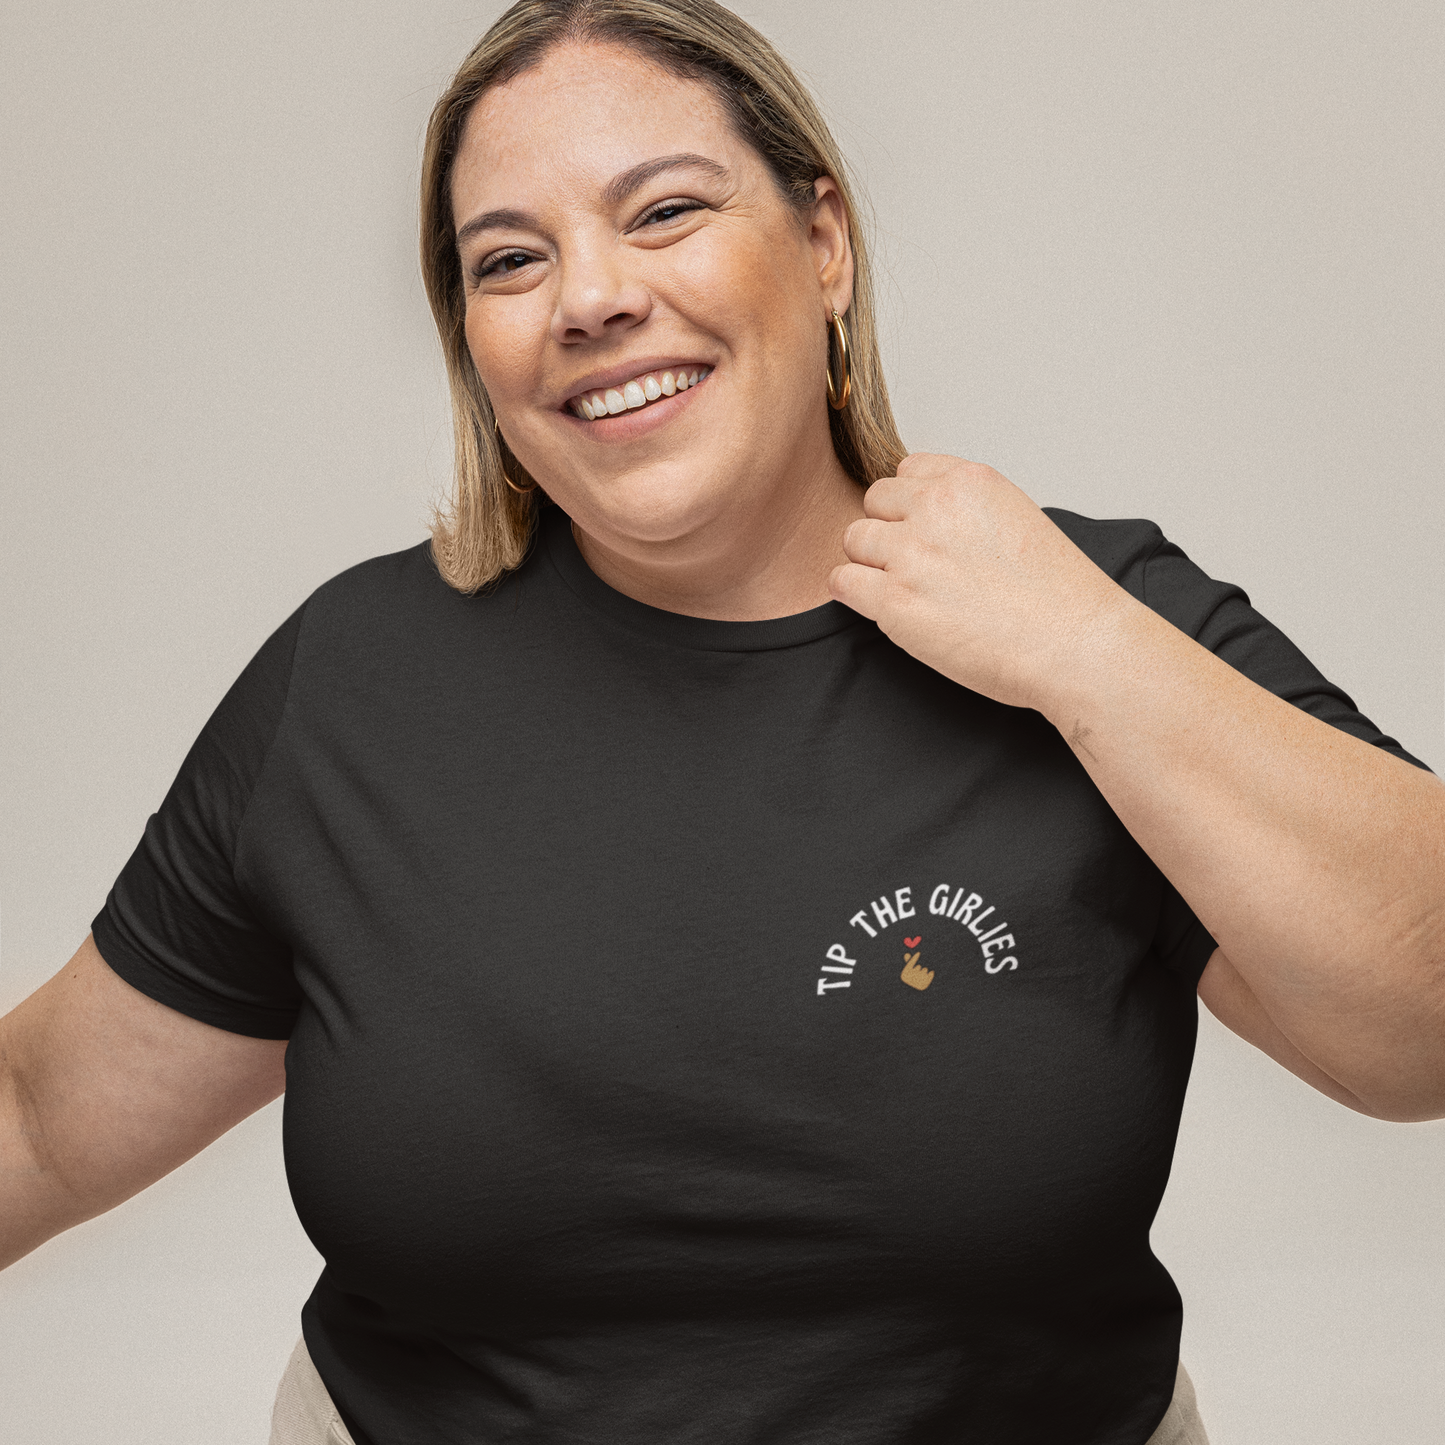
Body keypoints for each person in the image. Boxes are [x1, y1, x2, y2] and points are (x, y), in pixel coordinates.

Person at [2, 1, 1442, 1442]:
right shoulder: (354, 681)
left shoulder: (1094, 616)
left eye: (666, 210)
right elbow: (42, 1123)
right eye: (510, 259)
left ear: (825, 241)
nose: (590, 297)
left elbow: (1420, 1027)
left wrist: (1086, 654)